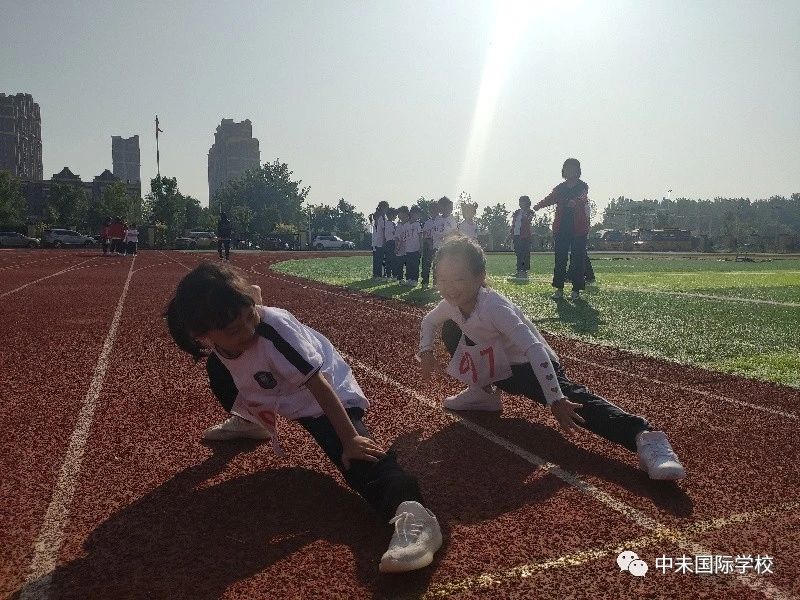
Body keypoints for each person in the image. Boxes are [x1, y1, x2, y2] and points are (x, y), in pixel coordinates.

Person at [164, 263, 442, 573]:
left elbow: (319, 385)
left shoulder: (273, 332)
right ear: (201, 334)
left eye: (250, 316)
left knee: (355, 457)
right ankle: (250, 422)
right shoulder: (219, 318)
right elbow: (250, 295)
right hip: (280, 386)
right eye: (234, 330)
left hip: (325, 394)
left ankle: (414, 513)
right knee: (217, 368)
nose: (249, 331)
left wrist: (350, 439)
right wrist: (250, 302)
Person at [416, 236, 686, 481]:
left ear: (480, 276)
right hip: (501, 367)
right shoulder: (452, 305)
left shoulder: (494, 307)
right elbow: (429, 321)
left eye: (459, 279)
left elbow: (534, 349)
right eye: (442, 279)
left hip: (531, 367)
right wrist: (426, 350)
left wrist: (555, 398)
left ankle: (645, 437)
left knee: (573, 401)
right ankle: (484, 393)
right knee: (451, 329)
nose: (449, 288)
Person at [533, 159, 590, 301]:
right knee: (560, 259)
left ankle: (576, 290)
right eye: (567, 168)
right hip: (561, 228)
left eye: (573, 168)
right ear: (564, 170)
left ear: (578, 170)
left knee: (577, 259)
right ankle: (559, 288)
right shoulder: (559, 188)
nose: (570, 171)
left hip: (579, 228)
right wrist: (537, 206)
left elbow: (583, 197)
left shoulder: (582, 186)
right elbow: (550, 199)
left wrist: (575, 202)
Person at [510, 196, 533, 281]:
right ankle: (519, 270)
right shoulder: (517, 212)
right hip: (516, 235)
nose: (520, 203)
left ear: (527, 202)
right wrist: (511, 234)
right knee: (518, 254)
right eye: (519, 202)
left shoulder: (530, 212)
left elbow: (528, 220)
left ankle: (524, 271)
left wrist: (525, 213)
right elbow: (514, 223)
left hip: (525, 236)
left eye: (522, 202)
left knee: (525, 254)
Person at [370, 201, 388, 280]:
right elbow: (383, 230)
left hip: (376, 241)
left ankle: (377, 274)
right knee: (379, 259)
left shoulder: (378, 217)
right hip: (379, 241)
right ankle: (378, 275)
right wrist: (384, 240)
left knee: (377, 259)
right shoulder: (381, 217)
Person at [383, 208, 397, 279]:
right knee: (393, 259)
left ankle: (388, 274)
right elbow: (394, 233)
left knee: (388, 259)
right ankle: (393, 274)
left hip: (388, 242)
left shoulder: (385, 223)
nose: (395, 217)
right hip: (391, 242)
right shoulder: (390, 223)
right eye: (394, 215)